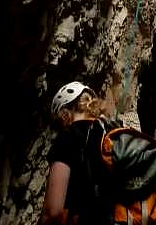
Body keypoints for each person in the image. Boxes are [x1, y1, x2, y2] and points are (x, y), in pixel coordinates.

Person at [40, 81, 108, 225]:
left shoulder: (68, 137)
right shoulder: (107, 133)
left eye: (59, 122)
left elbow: (54, 211)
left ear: (65, 113)